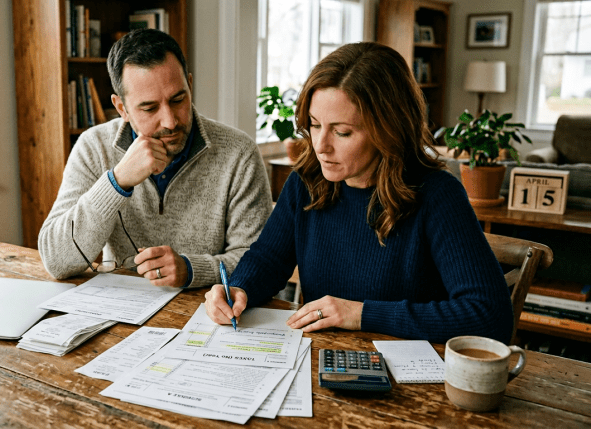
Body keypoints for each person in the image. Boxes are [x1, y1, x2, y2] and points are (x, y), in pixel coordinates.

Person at [204, 42, 514, 344]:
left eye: (342, 132)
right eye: (314, 125)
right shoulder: (306, 182)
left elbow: (490, 316)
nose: (321, 146)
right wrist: (239, 289)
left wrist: (362, 314)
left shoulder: (438, 195)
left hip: (411, 380)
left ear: (387, 129)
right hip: (322, 362)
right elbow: (269, 259)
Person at [38, 29, 273, 288]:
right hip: (122, 314)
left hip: (208, 314)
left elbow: (259, 262)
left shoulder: (240, 154)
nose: (170, 121)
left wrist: (192, 269)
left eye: (178, 99)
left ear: (190, 85)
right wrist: (117, 182)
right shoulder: (93, 147)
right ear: (121, 108)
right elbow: (56, 261)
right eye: (149, 108)